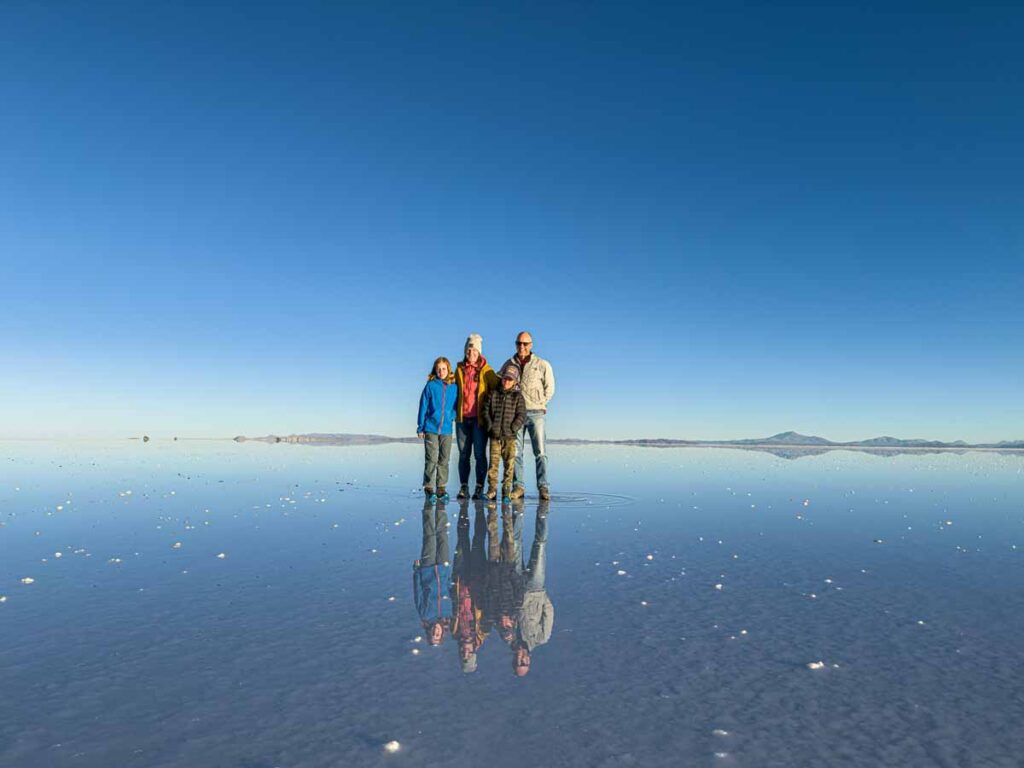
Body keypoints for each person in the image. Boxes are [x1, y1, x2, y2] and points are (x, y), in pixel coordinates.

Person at [505, 331, 555, 501]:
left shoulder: (541, 364)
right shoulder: (509, 364)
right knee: (516, 453)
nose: (522, 347)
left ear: (531, 345)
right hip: (515, 414)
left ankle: (543, 487)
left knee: (540, 452)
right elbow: (500, 382)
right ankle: (518, 487)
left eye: (525, 344)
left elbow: (550, 388)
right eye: (519, 343)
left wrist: (541, 402)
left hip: (536, 413)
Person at [454, 334, 499, 501]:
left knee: (480, 454)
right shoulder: (459, 369)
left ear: (479, 352)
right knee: (463, 454)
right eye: (468, 349)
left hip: (479, 421)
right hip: (462, 420)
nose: (470, 352)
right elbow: (450, 386)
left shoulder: (487, 371)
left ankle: (480, 486)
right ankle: (464, 486)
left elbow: (500, 387)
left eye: (474, 349)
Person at [512, 501, 553, 676]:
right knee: (540, 544)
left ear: (513, 660)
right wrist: (542, 596)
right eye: (525, 663)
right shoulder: (541, 638)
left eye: (519, 662)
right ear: (529, 660)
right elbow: (549, 612)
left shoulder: (508, 637)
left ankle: (518, 511)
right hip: (536, 589)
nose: (522, 659)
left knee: (515, 544)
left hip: (516, 587)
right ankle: (543, 511)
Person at [481, 362, 527, 501]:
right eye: (505, 378)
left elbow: (522, 415)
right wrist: (490, 426)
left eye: (510, 379)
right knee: (493, 465)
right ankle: (492, 489)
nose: (506, 381)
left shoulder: (518, 397)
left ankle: (506, 489)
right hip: (495, 436)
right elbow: (485, 411)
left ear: (515, 381)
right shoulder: (493, 394)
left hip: (509, 437)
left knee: (509, 464)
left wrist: (513, 427)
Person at [417, 356, 459, 500]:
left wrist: (452, 416)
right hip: (431, 428)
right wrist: (420, 427)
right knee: (432, 458)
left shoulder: (454, 387)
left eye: (443, 369)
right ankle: (429, 488)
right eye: (438, 369)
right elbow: (423, 406)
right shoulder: (430, 386)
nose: (441, 371)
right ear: (435, 370)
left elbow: (456, 406)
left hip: (447, 429)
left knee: (444, 459)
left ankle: (441, 488)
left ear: (448, 369)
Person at [412, 500, 452, 646]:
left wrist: (417, 572)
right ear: (442, 633)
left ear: (428, 632)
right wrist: (449, 575)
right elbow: (449, 589)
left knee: (430, 537)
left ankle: (429, 507)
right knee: (443, 537)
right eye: (438, 635)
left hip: (427, 569)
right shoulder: (448, 614)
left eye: (433, 635)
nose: (436, 632)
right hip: (443, 568)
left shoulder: (425, 614)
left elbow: (418, 592)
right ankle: (441, 507)